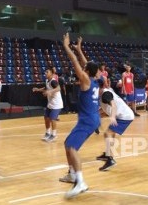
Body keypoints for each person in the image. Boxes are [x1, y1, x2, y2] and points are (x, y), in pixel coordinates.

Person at [59, 33, 100, 199]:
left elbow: (76, 63)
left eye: (85, 69)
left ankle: (80, 182)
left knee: (72, 147)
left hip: (88, 120)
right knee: (67, 144)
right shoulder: (96, 78)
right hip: (91, 118)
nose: (83, 69)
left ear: (87, 72)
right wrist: (80, 49)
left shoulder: (85, 79)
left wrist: (67, 47)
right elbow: (85, 63)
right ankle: (72, 174)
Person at [96, 78, 134, 171]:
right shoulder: (103, 94)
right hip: (122, 115)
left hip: (124, 116)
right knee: (110, 134)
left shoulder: (105, 94)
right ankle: (108, 154)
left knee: (107, 134)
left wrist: (112, 117)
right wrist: (97, 115)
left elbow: (114, 105)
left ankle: (110, 160)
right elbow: (106, 109)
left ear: (99, 87)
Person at [32, 67, 63, 142]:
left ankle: (54, 135)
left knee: (52, 118)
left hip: (57, 104)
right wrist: (38, 89)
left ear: (52, 73)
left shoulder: (53, 81)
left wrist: (50, 92)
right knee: (46, 117)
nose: (45, 73)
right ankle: (48, 133)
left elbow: (59, 88)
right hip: (50, 103)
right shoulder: (47, 81)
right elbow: (46, 88)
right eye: (45, 72)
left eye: (47, 72)